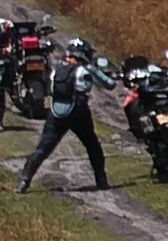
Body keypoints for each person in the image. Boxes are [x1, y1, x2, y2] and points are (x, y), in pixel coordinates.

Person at [12, 37, 116, 193]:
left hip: (56, 113)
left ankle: (24, 179)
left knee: (43, 148)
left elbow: (50, 89)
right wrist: (93, 68)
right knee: (92, 145)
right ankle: (101, 180)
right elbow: (110, 84)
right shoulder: (83, 70)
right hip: (79, 113)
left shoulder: (57, 69)